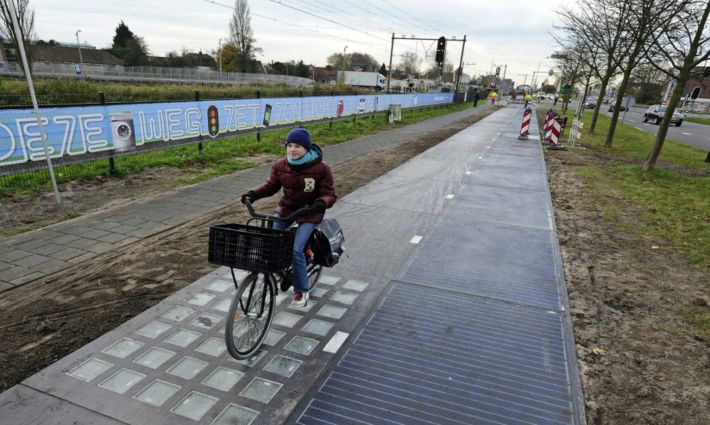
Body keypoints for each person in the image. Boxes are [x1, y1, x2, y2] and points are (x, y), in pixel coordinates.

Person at [241, 128, 337, 307]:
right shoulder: (280, 165)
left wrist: (321, 203)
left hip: (310, 213)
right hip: (287, 209)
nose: (292, 150)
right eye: (290, 145)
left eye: (298, 146)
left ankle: (301, 290)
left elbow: (329, 194)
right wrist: (253, 194)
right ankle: (279, 270)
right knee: (271, 241)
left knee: (296, 249)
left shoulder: (322, 169)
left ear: (307, 148)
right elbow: (271, 186)